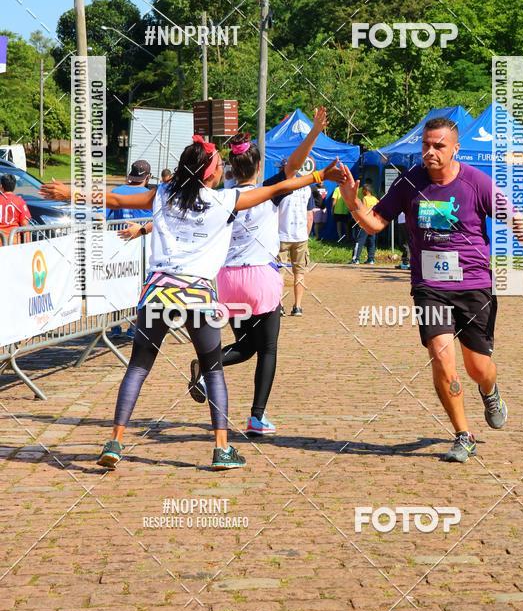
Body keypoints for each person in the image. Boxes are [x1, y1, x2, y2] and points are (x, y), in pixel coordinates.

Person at [42, 135, 343, 470]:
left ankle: (115, 441)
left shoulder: (163, 193)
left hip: (157, 291)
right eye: (216, 165)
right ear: (209, 174)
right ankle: (221, 449)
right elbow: (275, 190)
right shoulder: (224, 200)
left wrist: (69, 192)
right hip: (197, 295)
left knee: (138, 368)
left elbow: (112, 198)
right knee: (213, 370)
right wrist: (320, 177)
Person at [338, 116, 523, 464]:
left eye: (438, 145)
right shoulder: (410, 183)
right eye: (426, 145)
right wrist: (352, 200)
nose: (430, 151)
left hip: (473, 285)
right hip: (429, 287)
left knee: (478, 367)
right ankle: (463, 434)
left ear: (455, 148)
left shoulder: (476, 183)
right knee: (441, 354)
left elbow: (514, 218)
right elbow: (375, 223)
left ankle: (489, 390)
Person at [187, 108, 329, 434]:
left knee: (246, 346)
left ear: (232, 169)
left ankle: (208, 367)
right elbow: (293, 166)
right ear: (259, 166)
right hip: (260, 278)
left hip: (228, 280)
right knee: (267, 350)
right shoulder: (269, 192)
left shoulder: (219, 197)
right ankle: (256, 417)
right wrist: (315, 131)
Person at [107, 160, 154, 339]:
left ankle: (115, 325)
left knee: (117, 283)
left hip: (118, 245)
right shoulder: (149, 195)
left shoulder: (116, 192)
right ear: (147, 177)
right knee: (140, 286)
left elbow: (102, 216)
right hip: (143, 248)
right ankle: (135, 325)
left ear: (130, 175)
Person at [277, 167, 315, 317]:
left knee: (278, 273)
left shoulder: (279, 188)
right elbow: (310, 216)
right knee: (299, 273)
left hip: (280, 236)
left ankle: (278, 305)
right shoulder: (306, 188)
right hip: (300, 237)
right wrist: (305, 234)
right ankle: (297, 306)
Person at [351, 181, 379, 264]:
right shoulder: (375, 199)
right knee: (371, 241)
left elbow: (362, 210)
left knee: (359, 241)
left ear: (366, 191)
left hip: (365, 222)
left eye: (363, 190)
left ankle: (355, 259)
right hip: (373, 222)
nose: (362, 191)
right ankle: (371, 259)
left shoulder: (364, 199)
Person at [0, 173, 31, 242]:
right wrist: (28, 244)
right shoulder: (20, 201)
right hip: (13, 242)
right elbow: (25, 224)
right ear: (14, 186)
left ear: (1, 186)